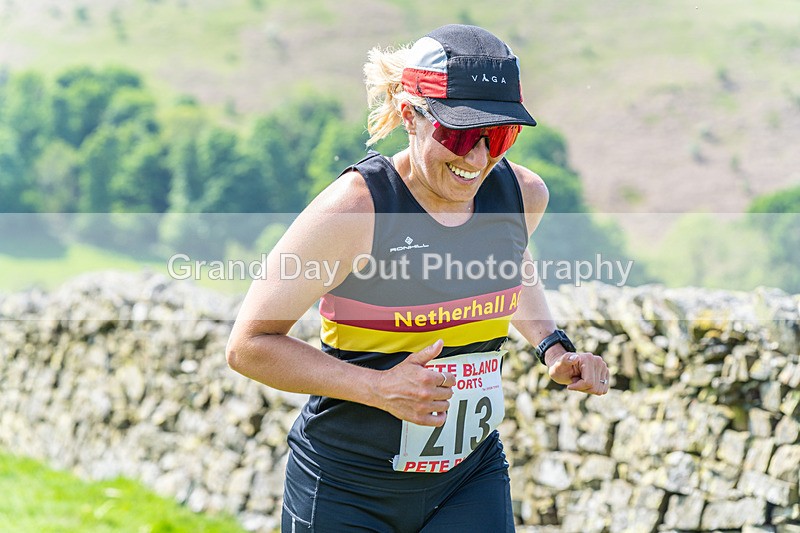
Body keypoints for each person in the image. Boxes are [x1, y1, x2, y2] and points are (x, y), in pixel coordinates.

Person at [226, 24, 610, 532]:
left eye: (498, 136)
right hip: (347, 487)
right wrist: (378, 388)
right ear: (411, 115)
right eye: (458, 135)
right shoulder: (357, 209)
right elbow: (249, 345)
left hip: (467, 478)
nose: (477, 159)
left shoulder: (522, 196)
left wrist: (553, 348)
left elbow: (508, 266)